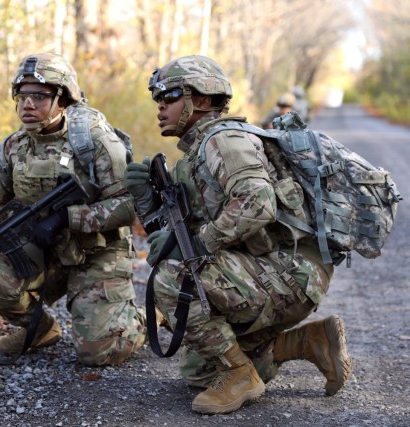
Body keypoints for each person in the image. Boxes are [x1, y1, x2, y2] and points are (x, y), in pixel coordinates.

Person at [124, 55, 353, 414]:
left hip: (289, 272)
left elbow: (258, 202)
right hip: (267, 271)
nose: (160, 105)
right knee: (198, 371)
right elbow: (174, 238)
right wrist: (148, 205)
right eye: (157, 99)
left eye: (169, 95)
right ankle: (309, 342)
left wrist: (200, 244)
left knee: (173, 279)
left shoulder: (224, 140)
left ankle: (239, 372)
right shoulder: (196, 154)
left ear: (201, 99)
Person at [0, 52, 146, 366]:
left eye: (38, 96)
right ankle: (38, 330)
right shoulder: (12, 147)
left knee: (100, 352)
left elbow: (128, 206)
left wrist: (69, 217)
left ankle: (147, 318)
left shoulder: (95, 142)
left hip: (96, 252)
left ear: (62, 98)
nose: (27, 104)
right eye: (21, 96)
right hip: (45, 248)